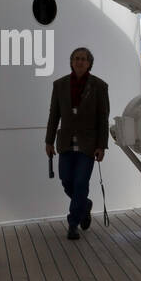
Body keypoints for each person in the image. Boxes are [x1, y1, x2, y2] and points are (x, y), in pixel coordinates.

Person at [45, 47, 109, 239]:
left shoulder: (99, 86)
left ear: (90, 63)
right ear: (71, 62)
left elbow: (103, 118)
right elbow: (54, 115)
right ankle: (85, 205)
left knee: (81, 183)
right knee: (66, 181)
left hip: (88, 144)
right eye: (76, 58)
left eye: (83, 59)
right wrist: (48, 141)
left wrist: (101, 145)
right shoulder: (59, 85)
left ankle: (73, 223)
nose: (80, 62)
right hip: (66, 143)